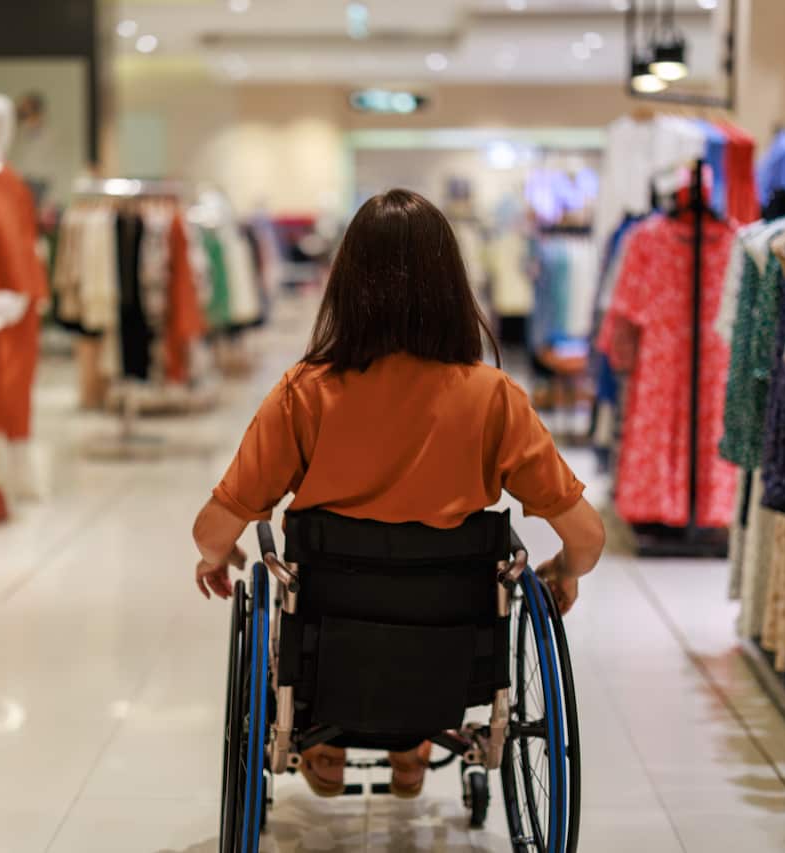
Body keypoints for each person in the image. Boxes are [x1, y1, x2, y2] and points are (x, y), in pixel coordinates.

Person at [191, 188, 605, 799]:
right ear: (452, 287)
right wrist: (564, 571)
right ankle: (414, 742)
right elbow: (588, 540)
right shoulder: (493, 399)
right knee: (437, 601)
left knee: (320, 602)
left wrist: (218, 554)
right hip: (451, 655)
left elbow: (212, 529)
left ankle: (326, 741)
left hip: (329, 645)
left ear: (346, 284)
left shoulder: (304, 393)